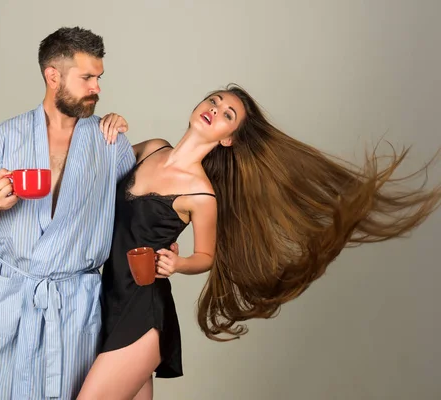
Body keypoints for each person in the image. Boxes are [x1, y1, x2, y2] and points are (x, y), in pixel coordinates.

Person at [77, 84, 441, 399]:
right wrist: (110, 125)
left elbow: (205, 255)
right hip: (106, 298)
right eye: (214, 101)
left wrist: (179, 263)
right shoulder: (153, 148)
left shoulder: (202, 195)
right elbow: (99, 162)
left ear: (227, 138)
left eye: (227, 114)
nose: (215, 110)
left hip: (142, 315)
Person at [0, 27, 135, 399]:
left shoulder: (110, 142)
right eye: (87, 77)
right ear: (52, 75)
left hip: (73, 306)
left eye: (99, 78)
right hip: (9, 299)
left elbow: (145, 192)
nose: (97, 88)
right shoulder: (6, 137)